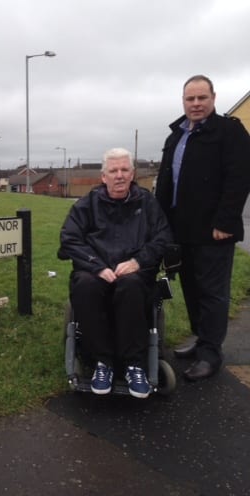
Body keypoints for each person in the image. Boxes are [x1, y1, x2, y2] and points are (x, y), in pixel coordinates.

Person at [155, 75, 250, 381]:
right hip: (181, 230)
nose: (195, 104)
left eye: (201, 98)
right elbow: (167, 182)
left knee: (212, 293)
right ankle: (201, 340)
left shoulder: (229, 131)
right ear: (183, 101)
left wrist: (225, 222)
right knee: (192, 289)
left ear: (213, 98)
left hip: (213, 231)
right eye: (190, 99)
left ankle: (211, 354)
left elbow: (239, 178)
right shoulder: (176, 135)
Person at [58, 148, 172, 398]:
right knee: (86, 285)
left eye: (124, 170)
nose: (119, 175)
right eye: (113, 171)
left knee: (130, 286)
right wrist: (96, 265)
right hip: (95, 270)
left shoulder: (148, 203)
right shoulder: (87, 204)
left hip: (135, 273)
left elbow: (162, 238)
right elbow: (70, 239)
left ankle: (134, 364)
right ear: (103, 176)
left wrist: (138, 261)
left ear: (132, 174)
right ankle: (103, 362)